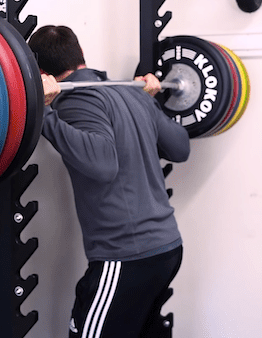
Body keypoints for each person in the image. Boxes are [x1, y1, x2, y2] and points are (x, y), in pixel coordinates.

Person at [28, 25, 190, 337]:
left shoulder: (76, 100)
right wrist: (151, 102)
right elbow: (180, 147)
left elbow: (103, 165)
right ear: (81, 56)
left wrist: (46, 113)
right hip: (167, 248)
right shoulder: (130, 92)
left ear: (41, 72)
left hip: (127, 257)